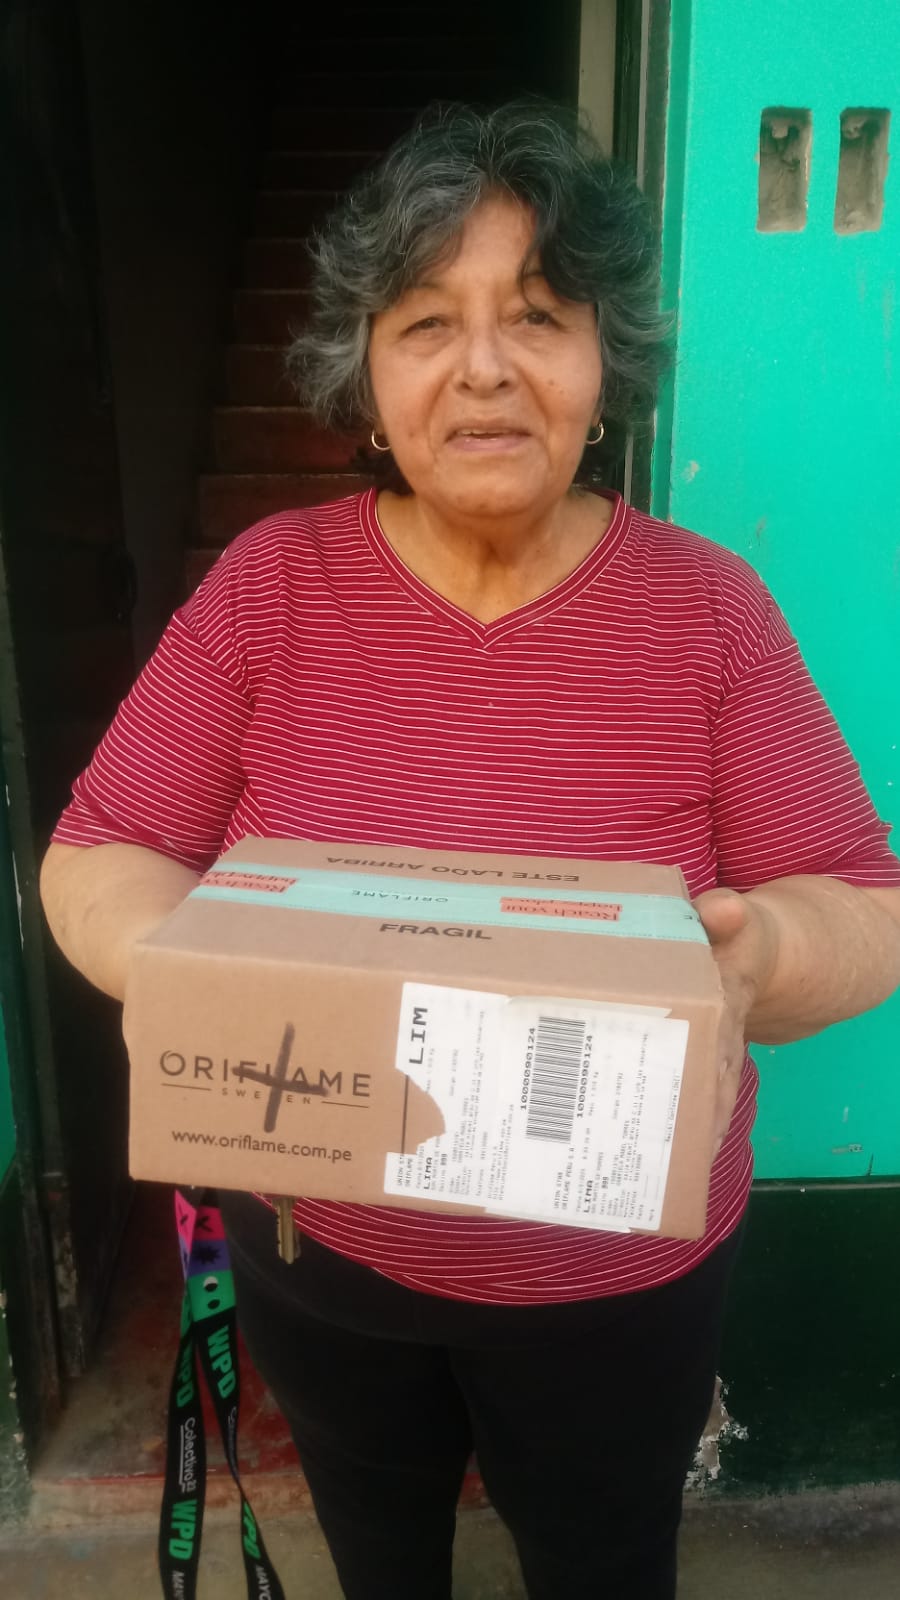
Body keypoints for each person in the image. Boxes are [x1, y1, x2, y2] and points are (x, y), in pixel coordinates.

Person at [40, 103, 900, 1599]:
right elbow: (104, 847)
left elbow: (865, 904)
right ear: (367, 372)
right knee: (380, 1558)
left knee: (605, 1562)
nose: (486, 367)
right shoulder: (273, 588)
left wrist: (762, 956)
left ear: (604, 359)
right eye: (429, 321)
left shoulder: (707, 610)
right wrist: (197, 974)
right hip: (324, 1252)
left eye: (540, 316)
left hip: (621, 1282)